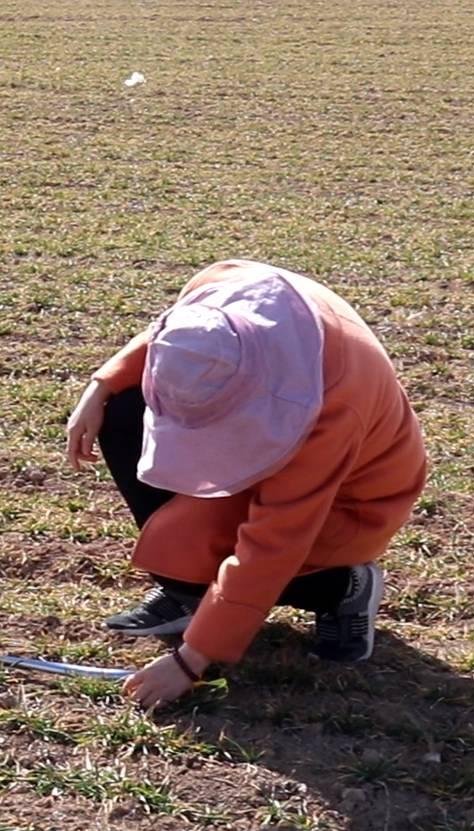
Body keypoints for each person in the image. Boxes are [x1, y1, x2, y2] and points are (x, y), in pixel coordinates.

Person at [63, 260, 426, 709]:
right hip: (268, 442)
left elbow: (276, 539)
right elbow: (179, 337)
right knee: (122, 409)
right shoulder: (226, 286)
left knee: (261, 557)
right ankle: (188, 588)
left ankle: (344, 587)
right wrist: (99, 388)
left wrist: (191, 660)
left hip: (350, 495)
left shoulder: (331, 408)